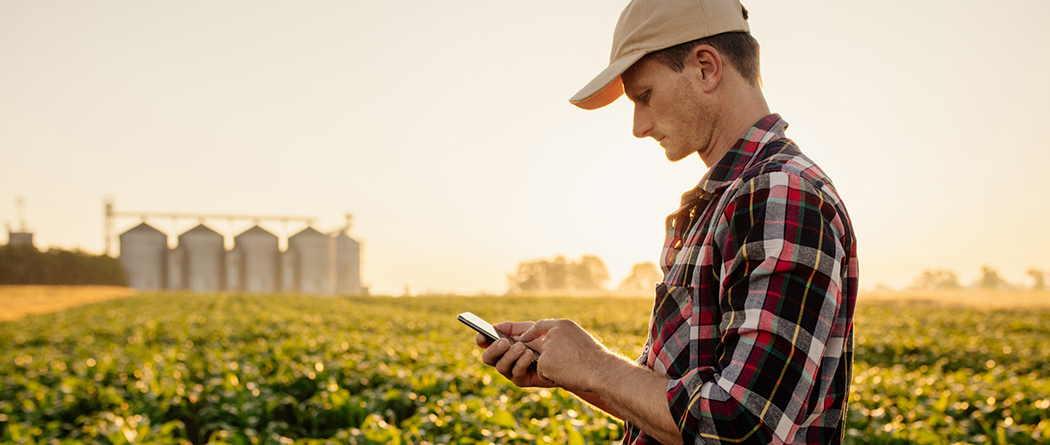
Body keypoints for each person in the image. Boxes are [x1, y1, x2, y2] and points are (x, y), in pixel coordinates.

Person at [476, 0, 859, 443]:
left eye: (644, 96)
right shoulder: (728, 198)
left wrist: (596, 366)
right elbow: (686, 410)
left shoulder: (779, 194)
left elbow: (744, 427)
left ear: (705, 68)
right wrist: (573, 371)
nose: (638, 125)